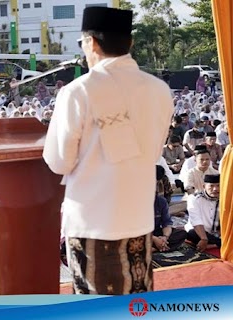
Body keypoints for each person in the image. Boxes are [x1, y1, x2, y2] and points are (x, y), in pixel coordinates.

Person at [42, 7, 173, 295]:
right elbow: (153, 152)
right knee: (137, 299)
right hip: (138, 216)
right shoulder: (159, 90)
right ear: (130, 44)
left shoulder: (78, 92)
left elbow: (58, 161)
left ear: (91, 43)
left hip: (93, 221)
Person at [152, 166, 187, 252]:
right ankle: (158, 246)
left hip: (156, 232)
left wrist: (165, 237)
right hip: (142, 234)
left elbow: (166, 223)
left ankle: (156, 247)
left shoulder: (161, 201)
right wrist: (154, 239)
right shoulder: (137, 202)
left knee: (181, 234)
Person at [185, 174, 221, 251]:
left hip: (217, 233)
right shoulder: (194, 198)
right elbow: (196, 220)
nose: (215, 189)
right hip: (200, 232)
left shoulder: (225, 198)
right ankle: (219, 243)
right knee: (191, 233)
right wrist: (204, 239)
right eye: (211, 186)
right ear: (204, 186)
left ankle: (215, 244)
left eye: (218, 186)